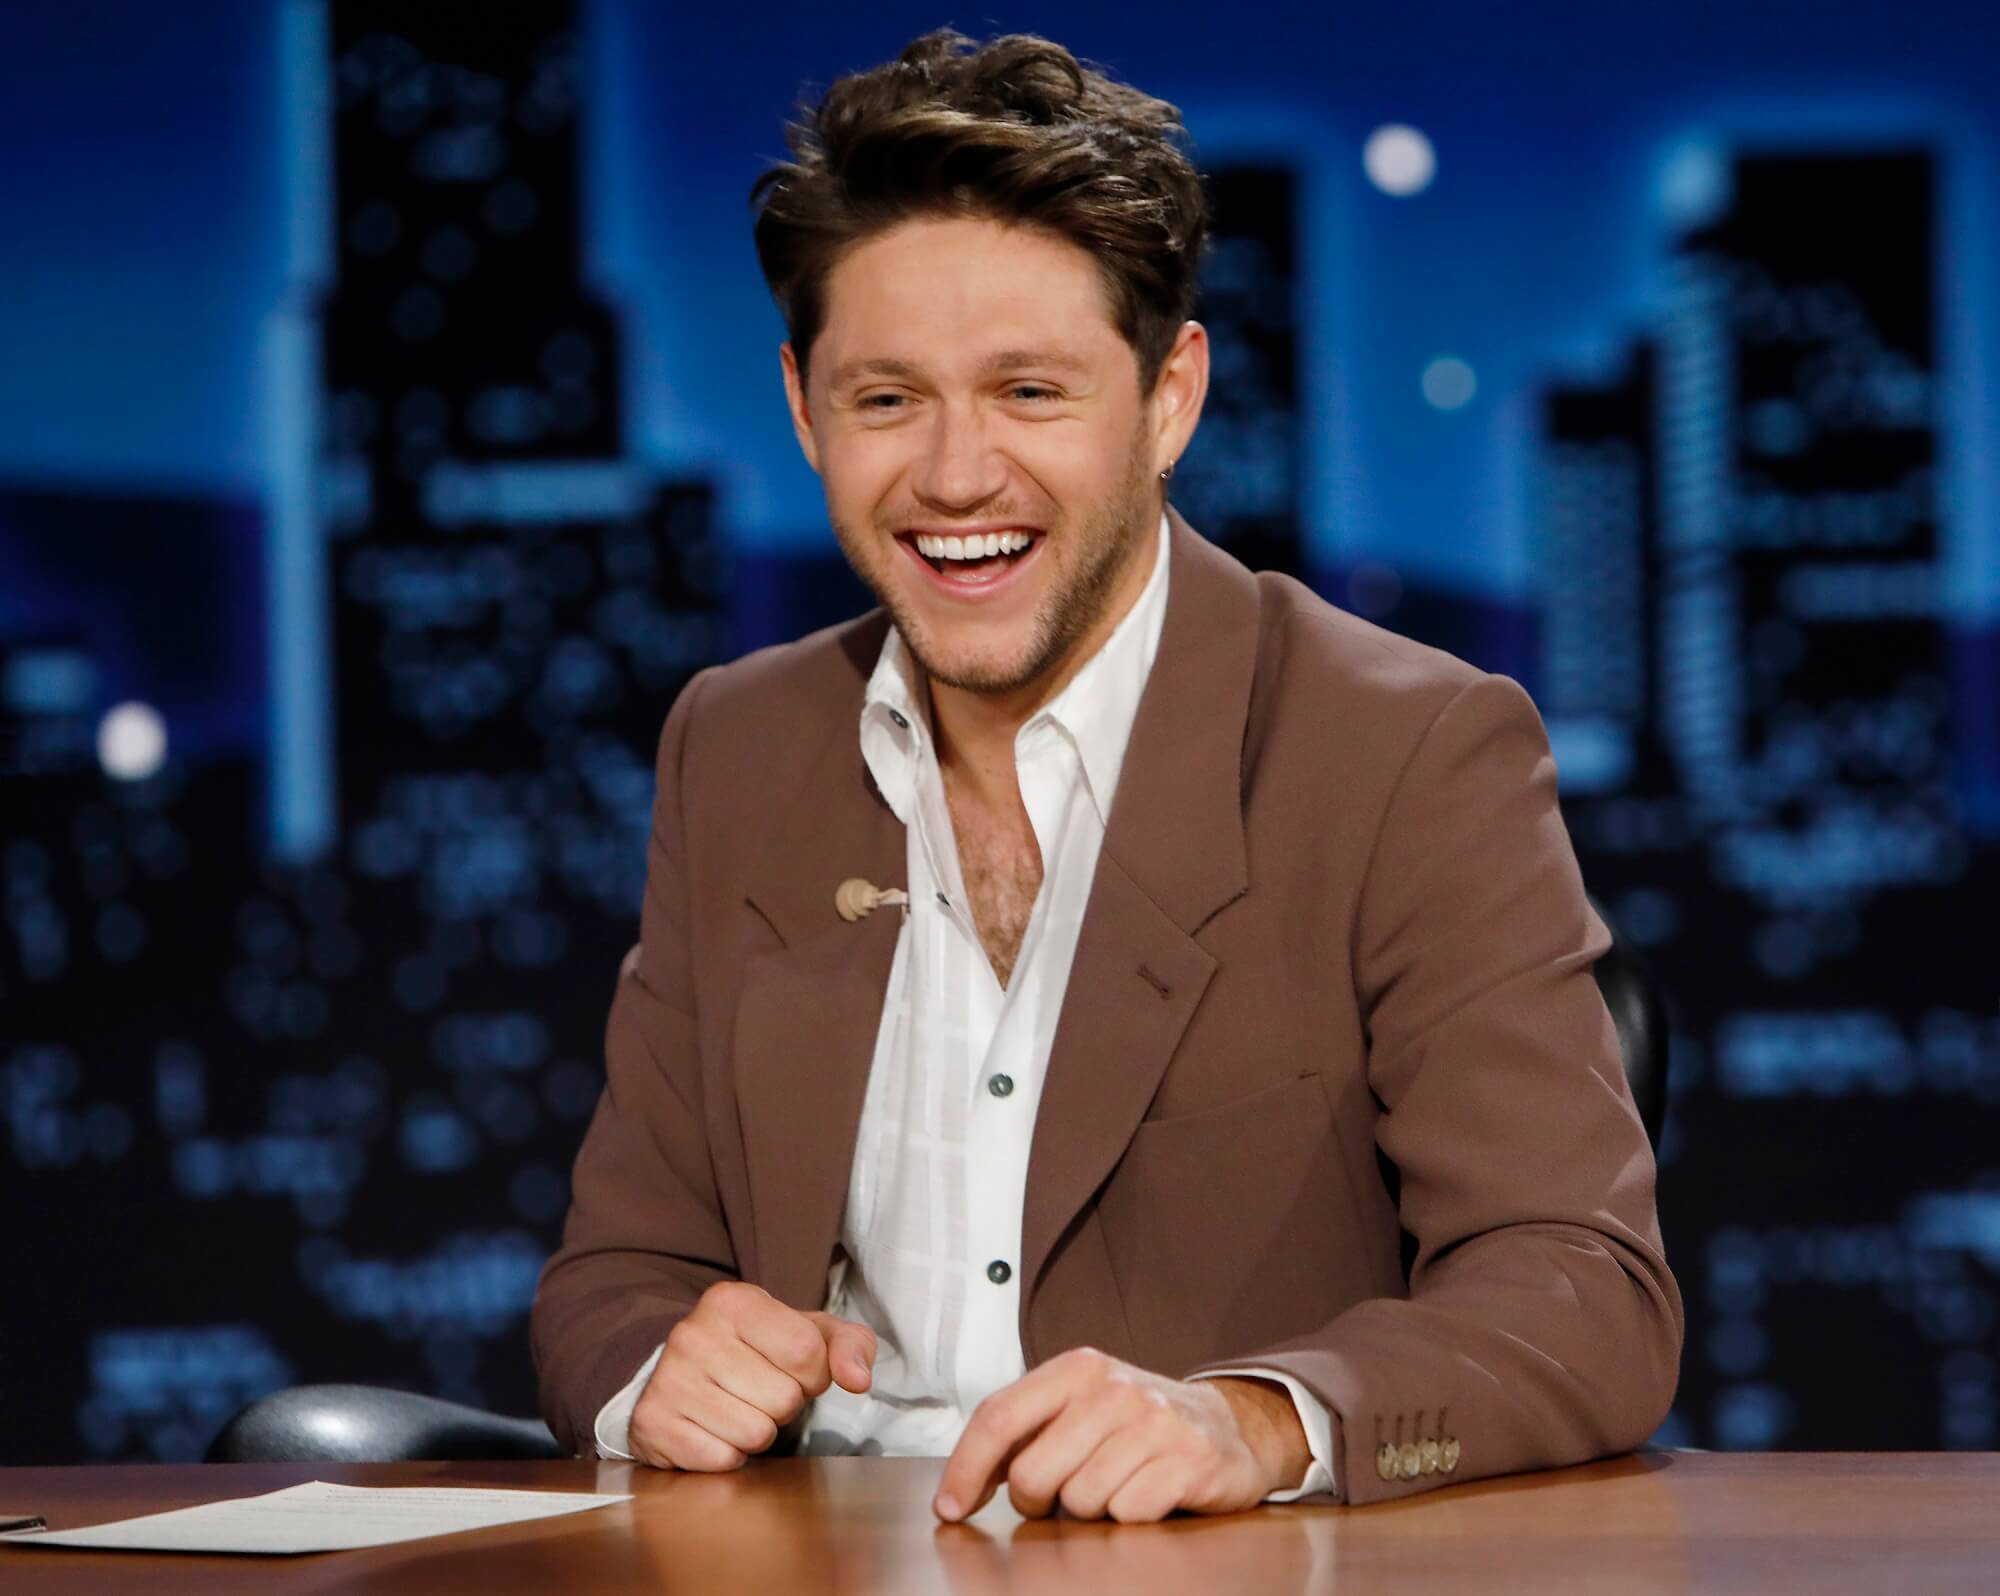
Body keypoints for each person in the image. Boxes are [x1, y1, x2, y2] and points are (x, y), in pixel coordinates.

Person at [530, 28, 1681, 1521]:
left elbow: (1582, 1292)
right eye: (887, 401)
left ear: (1169, 397)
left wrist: (1257, 1422)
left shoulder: (1403, 749)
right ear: (806, 408)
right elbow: (615, 1276)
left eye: (1029, 392)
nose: (954, 476)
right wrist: (652, 1369)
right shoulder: (737, 744)